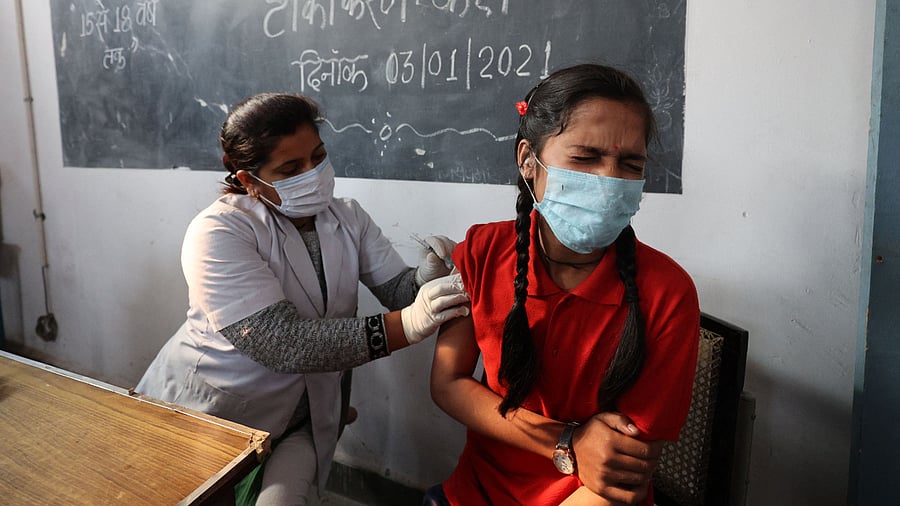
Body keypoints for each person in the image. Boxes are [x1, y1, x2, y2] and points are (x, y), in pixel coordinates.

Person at [135, 93, 470, 505]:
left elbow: (398, 292)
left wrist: (423, 279)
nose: (312, 174)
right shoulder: (219, 231)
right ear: (248, 180)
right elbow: (280, 343)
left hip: (304, 416)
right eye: (291, 168)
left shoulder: (347, 217)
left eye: (318, 156)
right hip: (214, 409)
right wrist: (408, 326)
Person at [427, 64, 700, 505]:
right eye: (585, 157)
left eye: (631, 163)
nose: (609, 179)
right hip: (473, 492)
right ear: (527, 162)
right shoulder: (481, 249)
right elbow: (448, 383)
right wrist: (568, 441)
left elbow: (620, 471)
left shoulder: (667, 293)